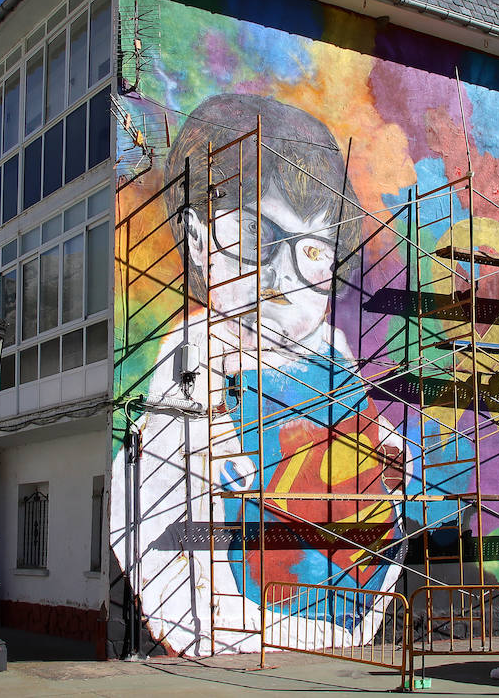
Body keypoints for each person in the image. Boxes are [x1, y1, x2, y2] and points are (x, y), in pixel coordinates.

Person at [112, 93, 405, 655]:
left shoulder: (334, 357)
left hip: (344, 610)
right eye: (253, 234)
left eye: (315, 251)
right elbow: (169, 558)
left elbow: (378, 506)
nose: (283, 275)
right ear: (200, 241)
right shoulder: (193, 364)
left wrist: (387, 463)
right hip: (251, 627)